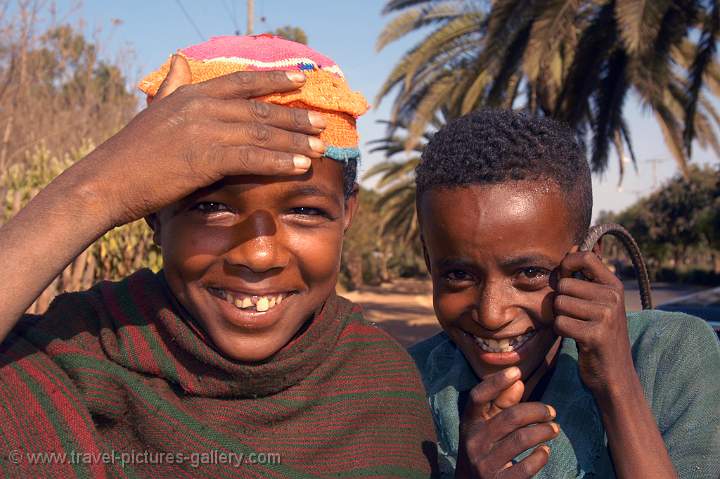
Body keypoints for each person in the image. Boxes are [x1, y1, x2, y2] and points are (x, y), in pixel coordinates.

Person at [0, 35, 437, 477]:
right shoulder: (67, 355)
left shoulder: (381, 384)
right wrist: (96, 192)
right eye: (211, 208)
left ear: (347, 213)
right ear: (152, 216)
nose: (260, 254)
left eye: (305, 210)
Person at [409, 109, 720, 478]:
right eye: (459, 274)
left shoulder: (671, 354)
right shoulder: (407, 384)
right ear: (430, 262)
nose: (492, 315)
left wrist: (617, 384)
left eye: (530, 273)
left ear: (588, 263)